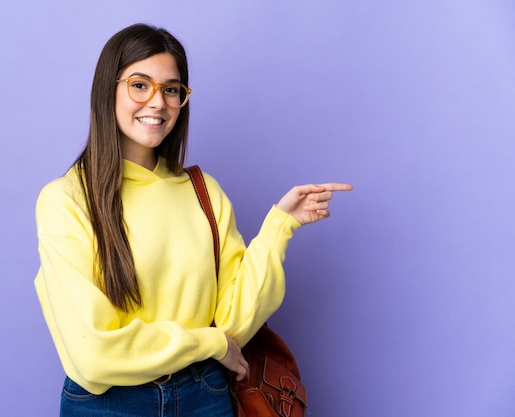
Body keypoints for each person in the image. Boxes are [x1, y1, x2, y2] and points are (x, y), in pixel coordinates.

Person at [34, 23, 352, 417]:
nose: (157, 102)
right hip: (109, 405)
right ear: (108, 90)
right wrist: (210, 345)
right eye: (139, 84)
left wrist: (279, 226)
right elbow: (93, 355)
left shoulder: (204, 193)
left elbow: (233, 324)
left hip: (205, 397)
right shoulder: (66, 200)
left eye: (171, 89)